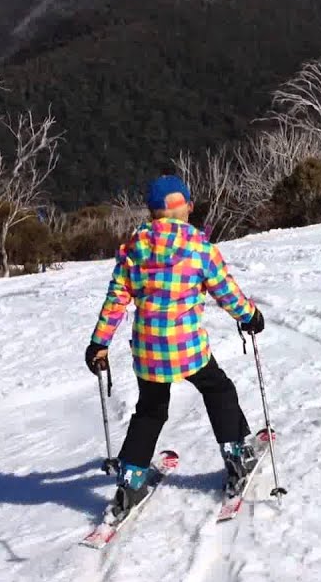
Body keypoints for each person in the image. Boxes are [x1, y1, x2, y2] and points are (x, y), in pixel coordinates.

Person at [84, 174, 266, 515]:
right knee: (219, 391)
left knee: (150, 410)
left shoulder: (134, 250)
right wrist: (249, 315)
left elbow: (116, 300)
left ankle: (131, 480)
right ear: (186, 209)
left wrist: (99, 343)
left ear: (152, 213)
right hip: (188, 348)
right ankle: (236, 457)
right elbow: (225, 292)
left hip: (148, 351)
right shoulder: (199, 248)